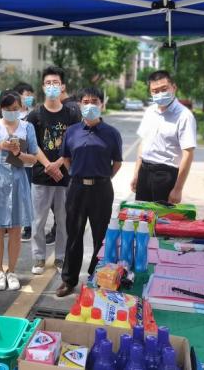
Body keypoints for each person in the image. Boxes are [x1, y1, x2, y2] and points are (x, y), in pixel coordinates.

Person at [56, 87, 123, 297]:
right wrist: (76, 174)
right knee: (74, 234)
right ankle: (69, 280)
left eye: (94, 101)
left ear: (102, 104)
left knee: (100, 236)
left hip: (102, 189)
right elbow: (66, 158)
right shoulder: (72, 131)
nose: (90, 105)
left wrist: (103, 177)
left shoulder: (112, 133)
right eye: (85, 102)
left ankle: (98, 278)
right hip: (76, 188)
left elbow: (117, 162)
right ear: (80, 105)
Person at [27, 68, 81, 275]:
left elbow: (74, 143)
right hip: (41, 176)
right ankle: (38, 258)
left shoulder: (72, 114)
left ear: (63, 86)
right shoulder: (35, 115)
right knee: (38, 221)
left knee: (63, 220)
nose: (52, 86)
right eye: (48, 83)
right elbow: (32, 144)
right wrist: (48, 166)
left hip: (64, 176)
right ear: (43, 87)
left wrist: (58, 164)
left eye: (55, 82)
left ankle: (60, 257)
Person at [0, 91, 38, 291]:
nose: (12, 112)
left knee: (16, 228)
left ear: (21, 108)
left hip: (18, 180)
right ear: (1, 108)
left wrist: (18, 153)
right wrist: (0, 146)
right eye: (8, 109)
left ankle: (12, 271)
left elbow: (33, 158)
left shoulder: (27, 127)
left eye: (15, 108)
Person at [132, 70, 196, 204]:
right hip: (145, 171)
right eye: (155, 91)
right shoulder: (150, 111)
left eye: (164, 89)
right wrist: (136, 173)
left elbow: (188, 154)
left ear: (174, 87)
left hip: (166, 176)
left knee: (162, 216)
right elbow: (143, 143)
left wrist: (178, 189)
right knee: (143, 214)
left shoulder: (184, 116)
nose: (160, 94)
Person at [13, 82, 36, 242]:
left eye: (30, 94)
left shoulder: (33, 115)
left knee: (27, 194)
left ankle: (28, 227)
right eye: (26, 94)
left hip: (28, 162)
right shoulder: (11, 115)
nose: (29, 97)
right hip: (11, 162)